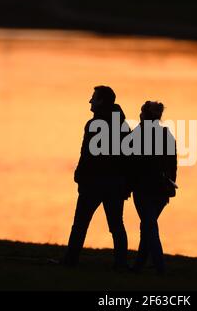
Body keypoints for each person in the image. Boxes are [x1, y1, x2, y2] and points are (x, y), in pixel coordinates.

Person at [61, 85, 130, 270]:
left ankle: (70, 261)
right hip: (114, 183)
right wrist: (125, 183)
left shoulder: (94, 125)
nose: (90, 101)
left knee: (80, 224)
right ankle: (121, 264)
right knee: (116, 225)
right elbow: (128, 157)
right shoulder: (122, 125)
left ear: (102, 102)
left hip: (94, 183)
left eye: (94, 98)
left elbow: (87, 154)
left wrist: (79, 176)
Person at [130, 101, 177, 275]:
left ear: (145, 115)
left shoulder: (139, 134)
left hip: (144, 189)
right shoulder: (167, 134)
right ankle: (139, 265)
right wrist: (170, 186)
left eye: (141, 113)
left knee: (149, 227)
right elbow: (173, 166)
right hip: (161, 189)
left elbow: (131, 164)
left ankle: (160, 268)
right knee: (148, 226)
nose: (139, 115)